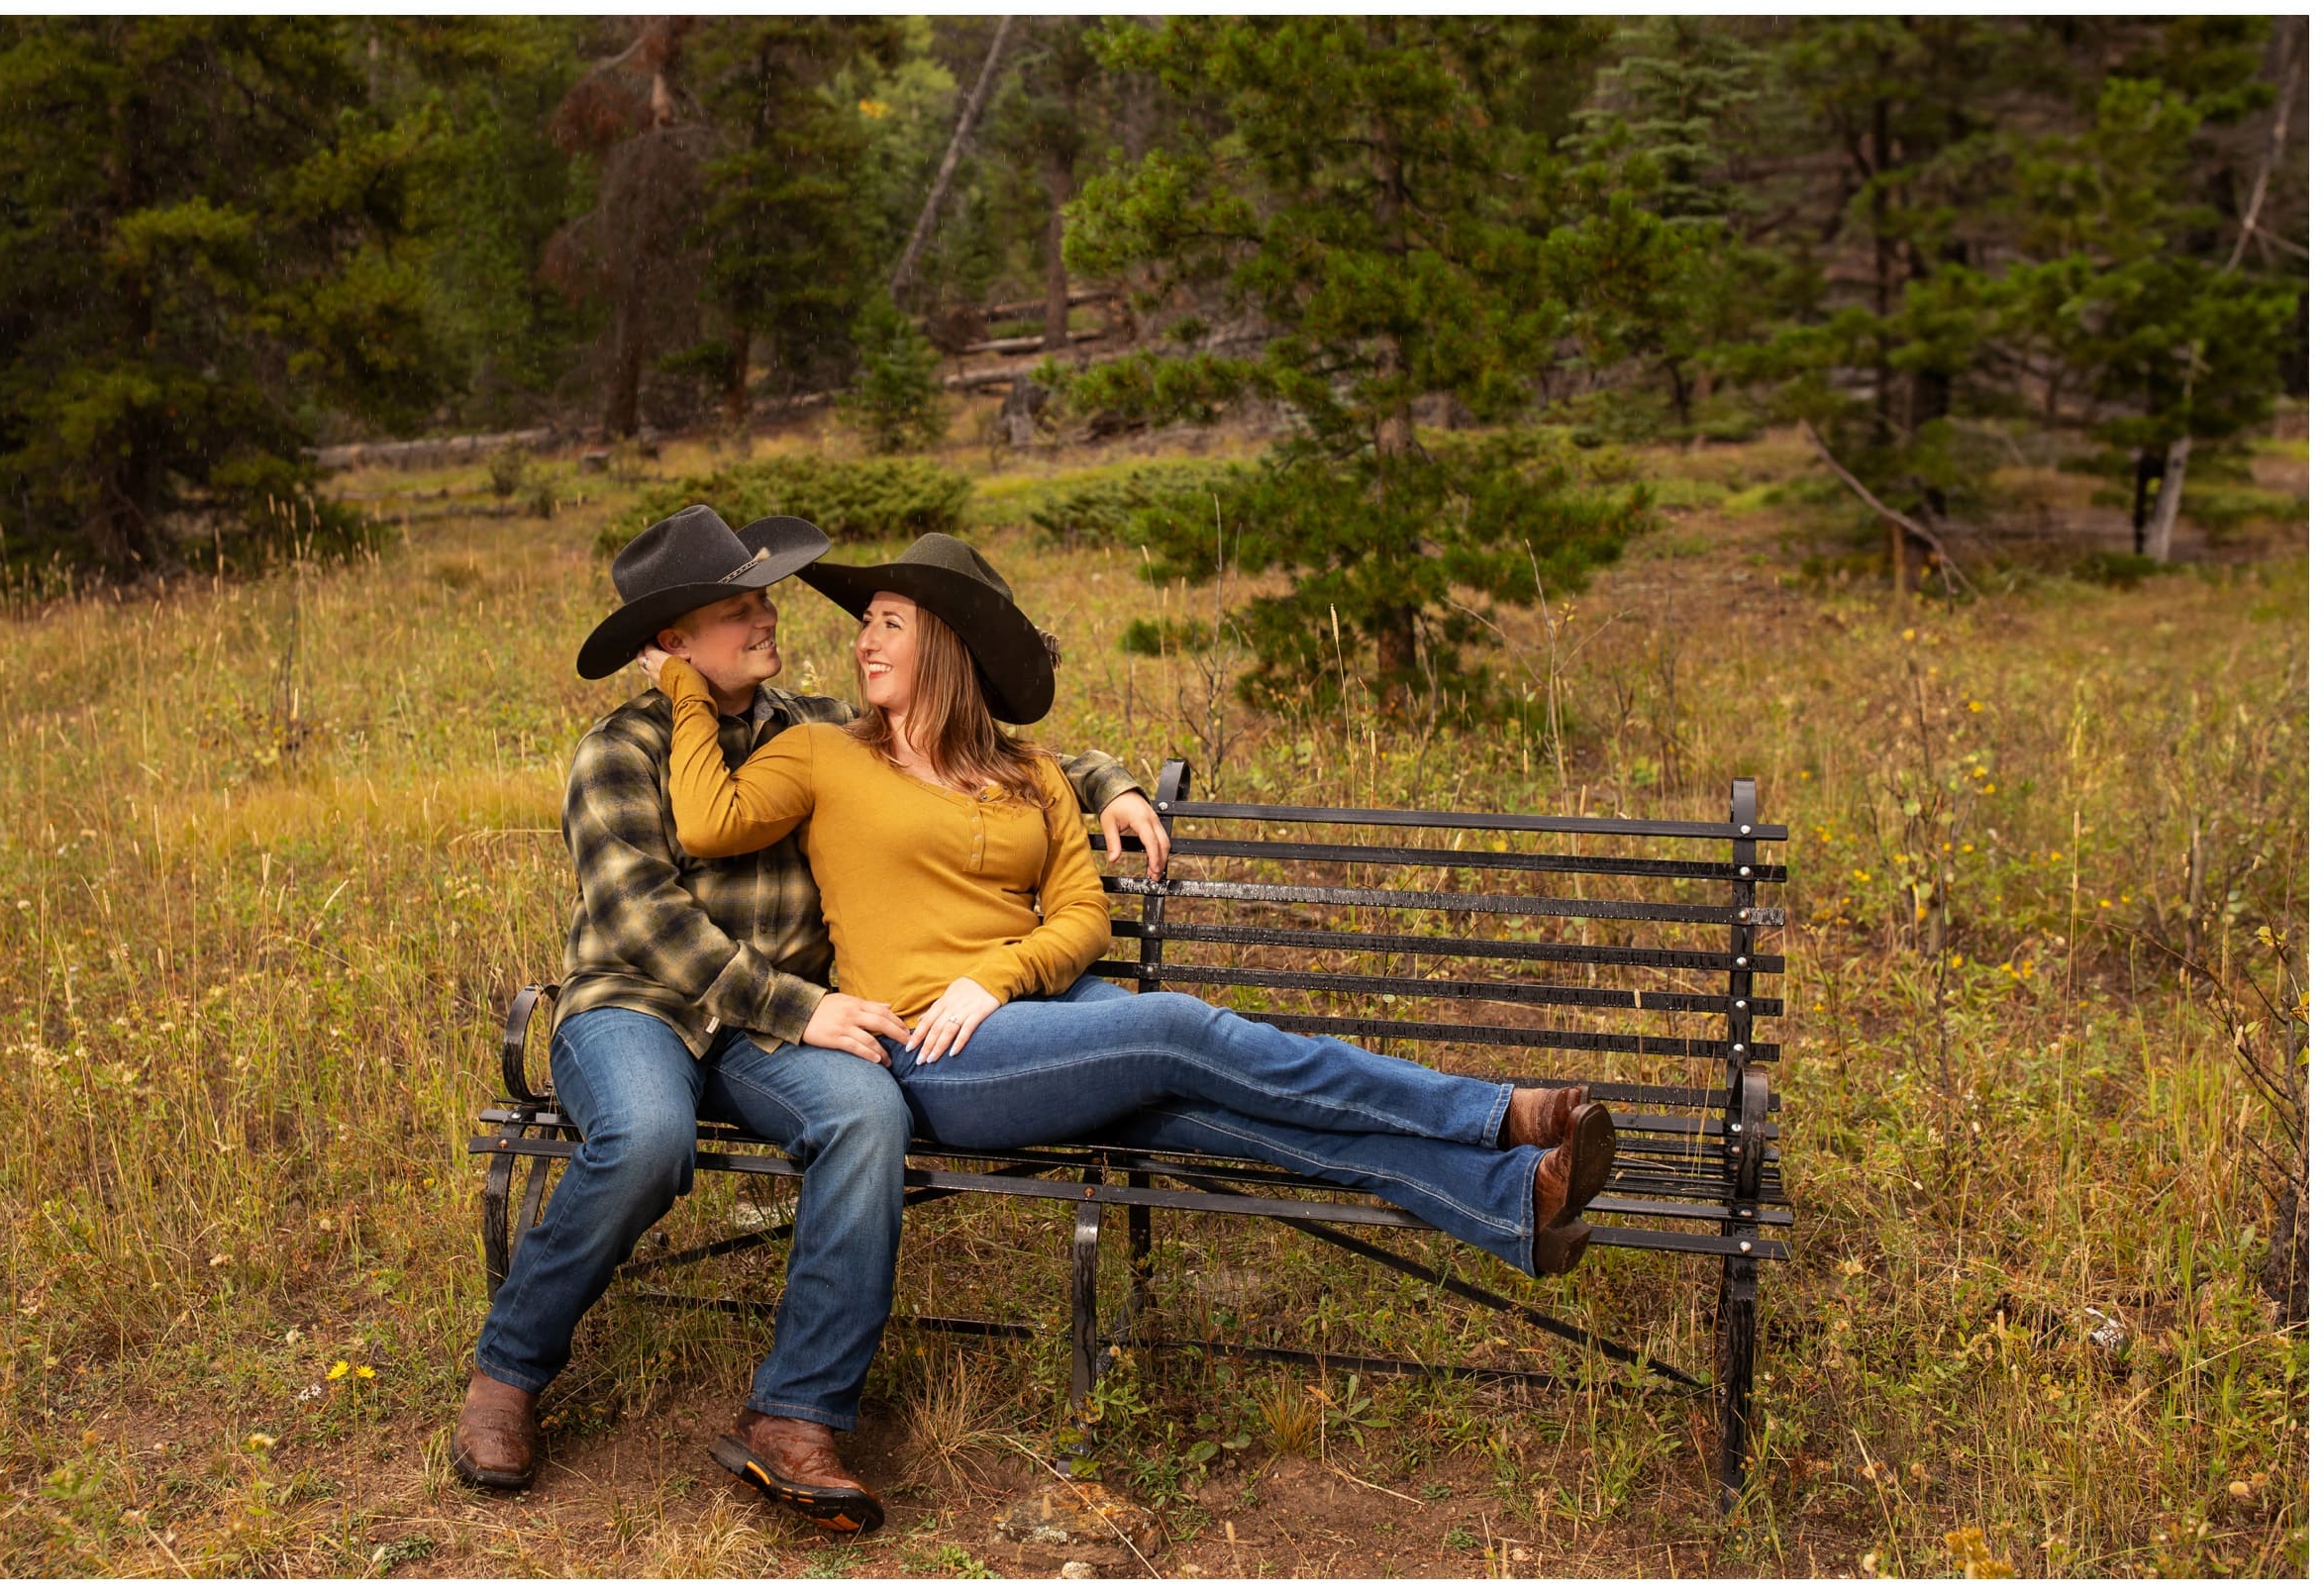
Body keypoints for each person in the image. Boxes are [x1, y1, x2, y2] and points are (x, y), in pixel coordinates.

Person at [644, 532, 1618, 1307]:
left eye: (888, 621)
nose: (862, 639)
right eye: (865, 622)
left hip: (1045, 1014)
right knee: (1175, 1024)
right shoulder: (825, 754)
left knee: (1213, 1107)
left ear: (945, 642)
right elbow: (707, 818)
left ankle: (1511, 1200)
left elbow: (1080, 918)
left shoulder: (1031, 776)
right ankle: (1495, 1112)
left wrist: (1002, 973)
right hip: (933, 1045)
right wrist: (685, 683)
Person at [454, 506, 1166, 1538]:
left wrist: (1108, 780)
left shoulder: (811, 724)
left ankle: (793, 1414)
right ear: (674, 646)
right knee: (648, 1133)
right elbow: (650, 926)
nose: (765, 616)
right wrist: (807, 1004)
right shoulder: (615, 750)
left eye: (762, 597)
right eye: (735, 609)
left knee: (867, 1113)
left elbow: (961, 734)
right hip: (637, 1008)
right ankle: (508, 1371)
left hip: (774, 1030)